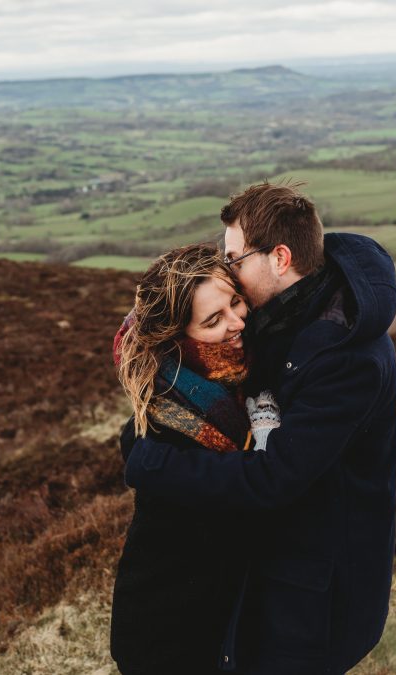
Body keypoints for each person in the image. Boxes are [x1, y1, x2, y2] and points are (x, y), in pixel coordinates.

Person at [124, 182, 396, 674]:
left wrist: (153, 463)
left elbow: (274, 477)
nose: (227, 269)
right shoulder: (285, 314)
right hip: (274, 578)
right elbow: (171, 328)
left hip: (320, 589)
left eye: (234, 259)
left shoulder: (346, 357)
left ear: (279, 258)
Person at [110, 243, 279, 675]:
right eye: (213, 320)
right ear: (177, 336)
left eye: (235, 302)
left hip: (226, 622)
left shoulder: (243, 376)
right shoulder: (167, 423)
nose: (237, 322)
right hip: (170, 635)